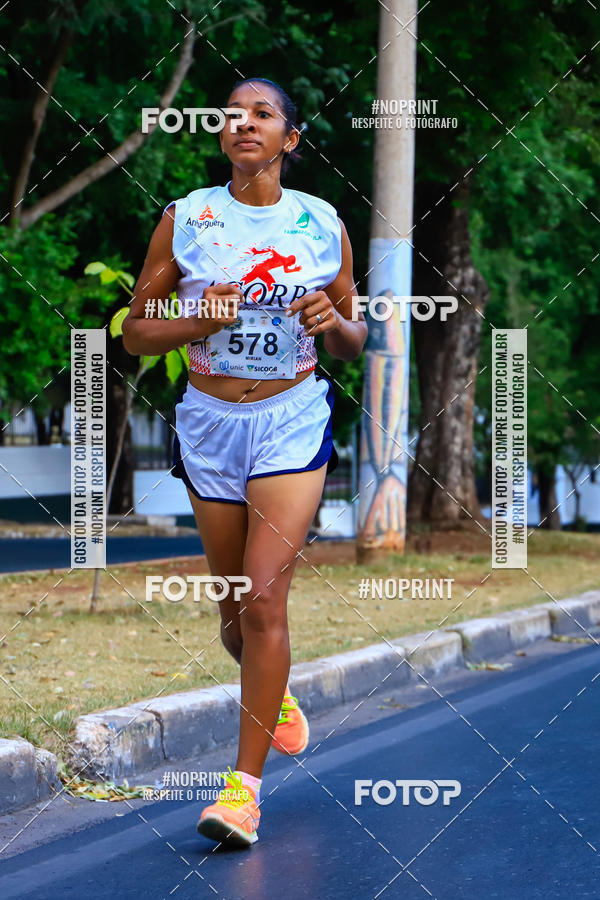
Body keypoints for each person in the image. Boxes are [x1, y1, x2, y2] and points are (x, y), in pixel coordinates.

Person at [122, 76, 368, 847]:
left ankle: (243, 793)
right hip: (209, 424)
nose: (244, 125)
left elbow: (356, 337)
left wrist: (334, 322)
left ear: (289, 139)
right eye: (233, 116)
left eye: (262, 115)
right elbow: (135, 331)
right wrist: (196, 314)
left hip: (290, 420)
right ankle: (277, 689)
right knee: (235, 619)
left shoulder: (322, 224)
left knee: (264, 603)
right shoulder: (186, 218)